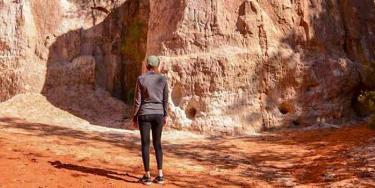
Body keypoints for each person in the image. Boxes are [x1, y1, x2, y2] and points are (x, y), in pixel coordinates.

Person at [132, 55, 168, 185]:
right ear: (157, 66)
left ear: (147, 66)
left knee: (145, 144)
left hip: (145, 114)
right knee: (157, 144)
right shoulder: (163, 79)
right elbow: (165, 100)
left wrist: (134, 116)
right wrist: (165, 115)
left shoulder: (141, 79)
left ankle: (147, 176)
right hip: (158, 114)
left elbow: (137, 101)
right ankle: (160, 175)